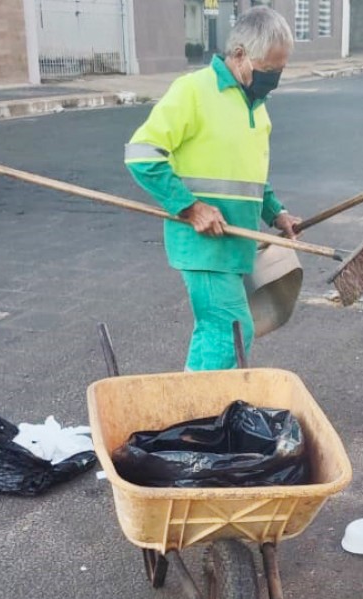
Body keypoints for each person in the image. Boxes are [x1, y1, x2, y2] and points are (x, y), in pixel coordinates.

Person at [124, 7, 300, 371]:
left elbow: (251, 175)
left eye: (280, 70)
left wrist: (276, 212)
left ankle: (189, 415)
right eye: (268, 69)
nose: (274, 79)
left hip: (237, 244)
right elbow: (141, 154)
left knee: (213, 333)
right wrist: (190, 208)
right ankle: (207, 418)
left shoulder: (257, 105)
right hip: (203, 245)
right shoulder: (193, 90)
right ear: (238, 55)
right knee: (232, 330)